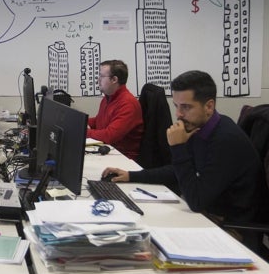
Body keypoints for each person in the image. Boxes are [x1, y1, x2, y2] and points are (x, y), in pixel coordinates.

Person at [102, 70, 263, 246]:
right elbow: (177, 171)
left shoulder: (225, 140)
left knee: (144, 244)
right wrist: (131, 175)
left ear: (209, 106)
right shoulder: (201, 128)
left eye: (186, 107)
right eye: (176, 106)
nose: (178, 114)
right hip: (208, 215)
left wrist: (178, 148)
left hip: (233, 230)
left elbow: (196, 201)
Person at [87, 60, 143, 160]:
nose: (98, 80)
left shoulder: (128, 104)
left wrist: (84, 132)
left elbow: (109, 136)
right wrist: (79, 122)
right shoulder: (108, 98)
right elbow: (98, 121)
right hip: (108, 152)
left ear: (114, 79)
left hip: (123, 159)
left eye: (101, 76)